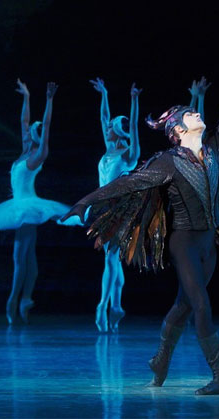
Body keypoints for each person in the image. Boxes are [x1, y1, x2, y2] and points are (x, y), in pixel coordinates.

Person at [62, 42, 219, 395]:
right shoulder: (168, 162)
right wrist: (84, 202)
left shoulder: (215, 150)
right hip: (184, 243)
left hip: (208, 243)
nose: (196, 114)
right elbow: (126, 183)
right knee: (200, 304)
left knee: (184, 305)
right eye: (189, 114)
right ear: (178, 130)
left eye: (194, 112)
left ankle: (161, 359)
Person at [0, 79, 80, 324]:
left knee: (20, 258)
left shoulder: (38, 155)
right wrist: (26, 96)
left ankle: (13, 300)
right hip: (21, 205)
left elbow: (46, 127)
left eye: (32, 133)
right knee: (29, 258)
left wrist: (49, 100)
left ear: (37, 138)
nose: (27, 133)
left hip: (27, 207)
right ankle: (26, 298)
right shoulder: (25, 150)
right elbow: (24, 121)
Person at [89, 78, 141, 332]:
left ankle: (103, 306)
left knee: (111, 257)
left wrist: (134, 100)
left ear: (119, 131)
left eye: (111, 126)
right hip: (103, 207)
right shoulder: (110, 149)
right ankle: (117, 306)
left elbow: (134, 126)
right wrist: (105, 94)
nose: (107, 127)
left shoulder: (129, 155)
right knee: (114, 259)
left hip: (120, 210)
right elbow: (103, 118)